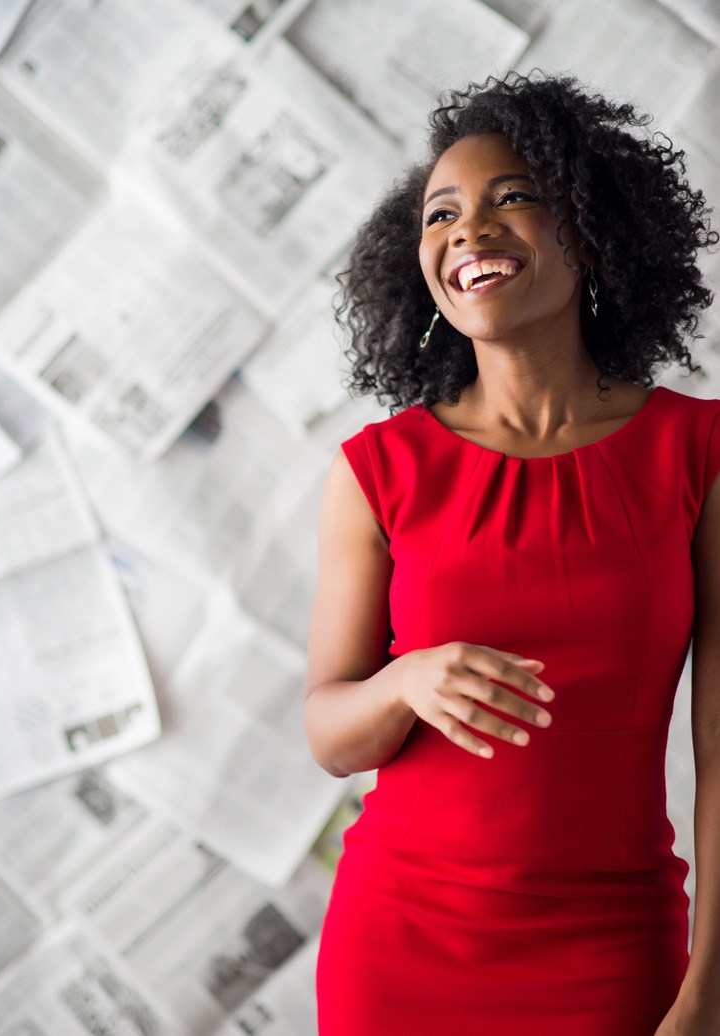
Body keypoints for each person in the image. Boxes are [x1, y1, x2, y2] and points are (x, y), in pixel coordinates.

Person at [304, 71, 720, 1035]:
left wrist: (705, 993)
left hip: (610, 942)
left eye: (512, 197)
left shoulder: (696, 453)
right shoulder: (377, 469)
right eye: (439, 214)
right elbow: (330, 733)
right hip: (395, 940)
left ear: (589, 226)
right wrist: (406, 681)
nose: (467, 230)